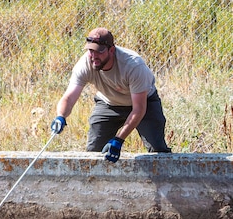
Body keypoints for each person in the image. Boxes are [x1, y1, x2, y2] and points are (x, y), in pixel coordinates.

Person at [50, 28, 171, 163]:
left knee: (158, 152)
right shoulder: (85, 64)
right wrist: (60, 116)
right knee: (93, 153)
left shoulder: (133, 65)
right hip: (108, 104)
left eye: (99, 51)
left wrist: (119, 139)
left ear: (111, 50)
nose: (94, 56)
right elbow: (69, 97)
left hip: (143, 104)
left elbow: (139, 109)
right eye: (91, 51)